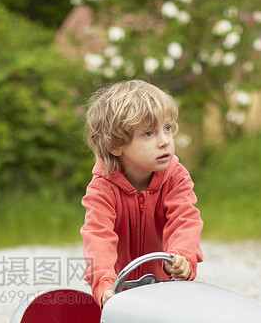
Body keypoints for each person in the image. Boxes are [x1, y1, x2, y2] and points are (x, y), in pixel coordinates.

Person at [81, 79, 203, 307]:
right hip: (120, 291)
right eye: (149, 134)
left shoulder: (176, 177)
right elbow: (98, 236)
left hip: (166, 286)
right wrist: (104, 283)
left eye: (167, 128)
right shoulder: (102, 188)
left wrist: (183, 256)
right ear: (115, 145)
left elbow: (185, 220)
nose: (165, 141)